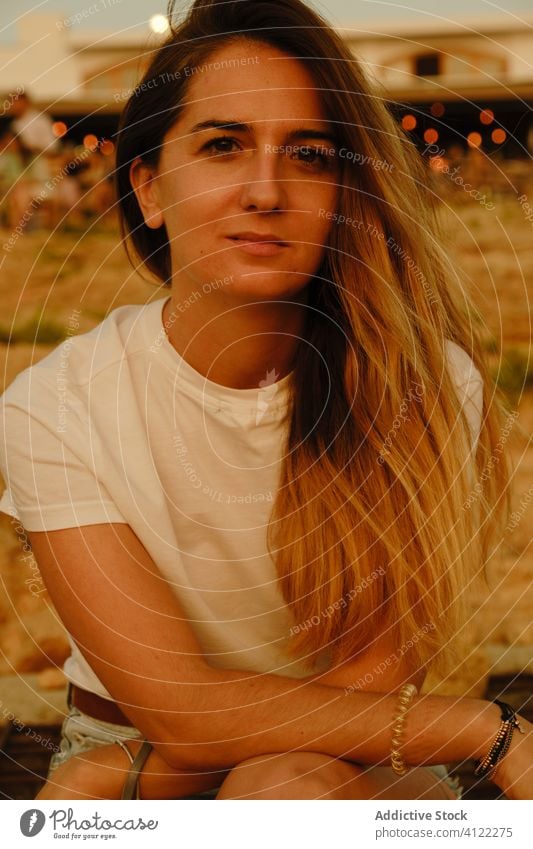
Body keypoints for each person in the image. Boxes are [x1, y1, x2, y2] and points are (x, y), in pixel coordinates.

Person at [0, 0, 531, 801]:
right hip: (133, 755)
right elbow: (173, 707)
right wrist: (482, 730)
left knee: (282, 788)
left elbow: (377, 675)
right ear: (147, 186)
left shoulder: (417, 381)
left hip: (350, 751)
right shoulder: (56, 403)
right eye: (222, 146)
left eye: (309, 153)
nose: (265, 190)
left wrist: (163, 758)